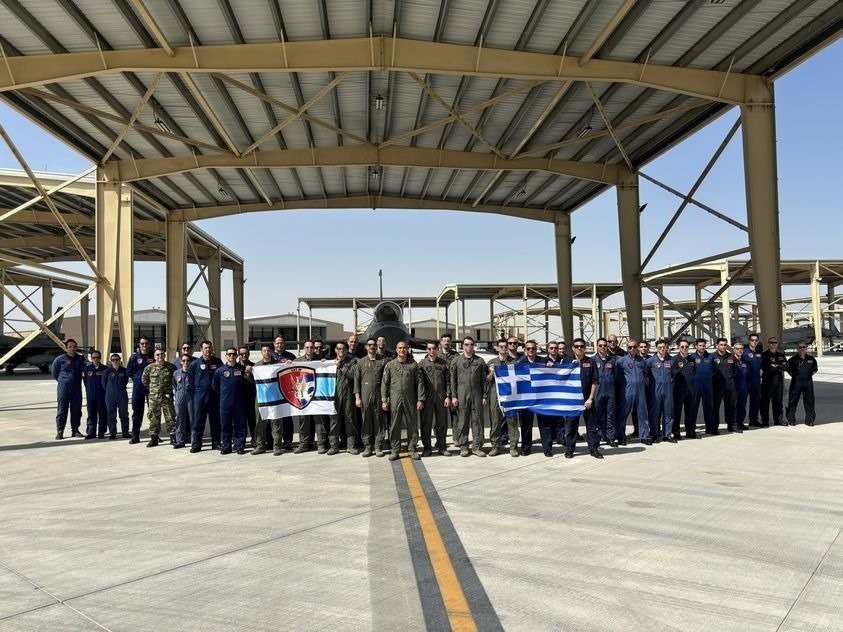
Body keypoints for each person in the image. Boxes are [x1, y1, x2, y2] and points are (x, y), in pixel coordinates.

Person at [381, 341, 425, 460]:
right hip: (395, 398)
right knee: (395, 424)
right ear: (396, 350)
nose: (402, 350)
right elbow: (385, 383)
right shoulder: (390, 365)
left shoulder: (413, 365)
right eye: (400, 348)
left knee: (412, 423)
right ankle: (395, 450)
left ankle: (412, 449)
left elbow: (419, 383)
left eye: (404, 348)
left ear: (407, 349)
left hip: (410, 398)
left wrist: (420, 399)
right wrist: (384, 400)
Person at [449, 336, 487, 457]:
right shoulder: (456, 361)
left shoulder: (480, 361)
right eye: (466, 344)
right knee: (463, 421)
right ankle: (464, 447)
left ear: (473, 345)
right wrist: (454, 396)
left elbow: (484, 380)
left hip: (476, 394)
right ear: (462, 346)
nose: (469, 347)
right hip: (462, 394)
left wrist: (484, 396)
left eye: (471, 344)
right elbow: (452, 380)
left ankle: (476, 447)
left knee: (477, 421)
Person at [564, 338, 600, 459]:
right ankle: (569, 449)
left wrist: (590, 398)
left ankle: (593, 449)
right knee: (571, 426)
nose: (579, 348)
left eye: (581, 346)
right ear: (573, 348)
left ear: (585, 348)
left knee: (591, 426)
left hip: (587, 400)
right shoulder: (567, 361)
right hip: (572, 401)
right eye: (576, 346)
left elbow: (594, 381)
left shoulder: (591, 362)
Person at [187, 340, 222, 453]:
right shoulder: (195, 364)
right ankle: (196, 444)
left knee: (215, 421)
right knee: (198, 421)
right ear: (201, 350)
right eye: (205, 348)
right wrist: (195, 396)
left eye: (209, 347)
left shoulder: (217, 362)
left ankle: (216, 443)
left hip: (214, 398)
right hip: (200, 398)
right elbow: (190, 382)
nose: (208, 350)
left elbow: (222, 378)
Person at [355, 338, 387, 457]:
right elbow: (356, 382)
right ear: (366, 347)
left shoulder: (383, 362)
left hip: (379, 396)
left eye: (374, 345)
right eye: (369, 345)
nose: (372, 347)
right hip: (365, 396)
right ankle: (368, 447)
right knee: (366, 422)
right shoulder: (360, 363)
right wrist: (357, 398)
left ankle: (378, 446)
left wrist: (385, 398)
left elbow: (386, 381)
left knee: (379, 421)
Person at [418, 341, 451, 456]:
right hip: (427, 398)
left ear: (437, 349)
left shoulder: (443, 364)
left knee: (442, 423)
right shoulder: (421, 364)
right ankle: (427, 448)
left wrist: (448, 396)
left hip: (441, 397)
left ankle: (442, 447)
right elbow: (419, 383)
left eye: (434, 348)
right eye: (429, 349)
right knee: (426, 423)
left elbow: (448, 381)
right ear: (426, 350)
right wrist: (420, 399)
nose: (432, 351)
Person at [486, 339, 518, 457]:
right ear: (497, 348)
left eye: (505, 346)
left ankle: (513, 447)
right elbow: (487, 380)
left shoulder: (513, 363)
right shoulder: (491, 362)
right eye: (501, 346)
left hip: (510, 395)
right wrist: (492, 372)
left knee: (512, 421)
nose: (503, 348)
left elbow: (518, 379)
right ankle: (495, 446)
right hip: (496, 395)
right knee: (495, 422)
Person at [213, 347, 248, 454]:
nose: (231, 356)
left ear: (236, 356)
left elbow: (246, 384)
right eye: (229, 354)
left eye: (233, 354)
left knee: (240, 425)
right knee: (225, 425)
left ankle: (239, 445)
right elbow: (215, 386)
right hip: (225, 402)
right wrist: (224, 395)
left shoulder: (242, 369)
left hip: (239, 402)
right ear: (226, 356)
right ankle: (226, 446)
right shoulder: (220, 371)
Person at [616, 339, 651, 444]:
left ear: (637, 348)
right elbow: (618, 377)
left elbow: (645, 374)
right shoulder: (621, 361)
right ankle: (621, 436)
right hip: (627, 390)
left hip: (640, 390)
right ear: (627, 348)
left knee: (642, 413)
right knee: (623, 413)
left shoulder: (642, 361)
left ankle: (644, 436)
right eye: (630, 347)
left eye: (634, 347)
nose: (632, 349)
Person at [141, 348, 177, 447]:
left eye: (161, 354)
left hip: (167, 397)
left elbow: (175, 379)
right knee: (153, 417)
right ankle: (154, 438)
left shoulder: (171, 367)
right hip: (154, 398)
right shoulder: (149, 368)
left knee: (170, 417)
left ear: (164, 355)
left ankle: (173, 437)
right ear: (154, 356)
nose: (160, 356)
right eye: (157, 354)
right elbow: (144, 380)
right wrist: (153, 389)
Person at [51, 338, 85, 439]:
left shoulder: (80, 359)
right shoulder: (59, 359)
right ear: (66, 348)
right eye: (70, 347)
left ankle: (75, 430)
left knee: (76, 410)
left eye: (74, 347)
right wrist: (63, 381)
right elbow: (54, 372)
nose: (72, 349)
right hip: (63, 388)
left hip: (76, 389)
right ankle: (60, 431)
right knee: (62, 410)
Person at [251, 343, 281, 455]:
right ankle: (260, 446)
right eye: (264, 351)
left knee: (276, 422)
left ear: (271, 351)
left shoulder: (278, 365)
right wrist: (248, 372)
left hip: (275, 398)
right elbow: (251, 380)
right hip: (261, 398)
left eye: (268, 350)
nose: (267, 353)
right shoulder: (257, 366)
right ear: (261, 352)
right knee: (260, 423)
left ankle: (277, 446)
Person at [537, 341, 563, 456]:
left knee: (560, 421)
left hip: (559, 397)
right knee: (545, 424)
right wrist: (545, 368)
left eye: (555, 348)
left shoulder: (564, 361)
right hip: (545, 398)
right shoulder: (541, 362)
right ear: (547, 349)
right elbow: (536, 376)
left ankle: (562, 440)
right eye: (551, 348)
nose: (554, 350)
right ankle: (547, 448)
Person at [645, 339, 674, 443]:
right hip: (655, 391)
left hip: (667, 390)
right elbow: (645, 374)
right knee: (654, 413)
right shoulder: (650, 361)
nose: (662, 349)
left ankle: (667, 434)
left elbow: (674, 374)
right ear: (656, 348)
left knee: (668, 412)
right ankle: (654, 434)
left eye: (664, 347)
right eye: (660, 347)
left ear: (666, 348)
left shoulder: (671, 361)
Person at [126, 337, 154, 443]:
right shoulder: (134, 357)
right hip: (138, 389)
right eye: (142, 344)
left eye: (146, 343)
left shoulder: (153, 356)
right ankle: (135, 436)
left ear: (149, 344)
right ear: (139, 345)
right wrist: (137, 379)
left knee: (153, 412)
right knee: (137, 413)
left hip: (151, 388)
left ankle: (154, 435)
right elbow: (129, 371)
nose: (144, 345)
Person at [516, 340, 542, 455]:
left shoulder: (543, 361)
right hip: (526, 398)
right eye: (528, 348)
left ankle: (547, 448)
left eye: (533, 348)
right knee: (526, 425)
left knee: (544, 424)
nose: (531, 350)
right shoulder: (520, 363)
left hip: (540, 397)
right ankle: (526, 448)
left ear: (536, 349)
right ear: (525, 350)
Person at [333, 341, 359, 454]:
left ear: (346, 349)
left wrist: (341, 366)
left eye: (343, 348)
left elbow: (353, 375)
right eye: (339, 349)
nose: (341, 351)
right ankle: (334, 446)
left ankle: (351, 446)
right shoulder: (330, 363)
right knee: (334, 421)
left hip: (348, 394)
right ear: (335, 350)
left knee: (350, 420)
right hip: (335, 396)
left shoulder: (352, 361)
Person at [591, 337, 617, 446]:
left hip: (610, 391)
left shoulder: (612, 360)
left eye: (605, 345)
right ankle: (597, 437)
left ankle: (610, 437)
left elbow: (616, 375)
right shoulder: (592, 360)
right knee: (597, 415)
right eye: (600, 345)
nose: (603, 347)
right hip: (597, 392)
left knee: (610, 415)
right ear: (597, 347)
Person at [672, 338, 699, 439]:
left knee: (690, 411)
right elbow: (672, 374)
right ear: (678, 347)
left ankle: (690, 431)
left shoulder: (692, 359)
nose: (684, 348)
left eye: (686, 347)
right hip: (678, 390)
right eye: (682, 346)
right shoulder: (674, 359)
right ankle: (676, 432)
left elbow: (694, 372)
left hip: (690, 389)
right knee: (677, 412)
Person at [712, 337, 740, 433]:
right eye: (721, 345)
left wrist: (730, 378)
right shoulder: (712, 357)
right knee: (715, 407)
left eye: (725, 345)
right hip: (717, 386)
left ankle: (732, 425)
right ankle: (714, 427)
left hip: (729, 385)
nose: (723, 347)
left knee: (731, 406)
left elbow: (735, 370)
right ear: (717, 345)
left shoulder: (731, 357)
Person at [785, 342, 818, 426]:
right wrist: (796, 377)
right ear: (797, 349)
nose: (802, 349)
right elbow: (788, 370)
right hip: (796, 382)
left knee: (809, 401)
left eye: (804, 347)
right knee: (793, 400)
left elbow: (814, 370)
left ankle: (809, 420)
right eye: (800, 347)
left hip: (808, 383)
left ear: (806, 348)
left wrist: (806, 376)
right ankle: (791, 419)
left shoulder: (811, 359)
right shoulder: (792, 359)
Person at [760, 337, 788, 426]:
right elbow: (765, 367)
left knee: (778, 401)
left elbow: (786, 367)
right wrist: (778, 366)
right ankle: (765, 421)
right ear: (768, 344)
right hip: (767, 381)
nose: (773, 344)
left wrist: (775, 366)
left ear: (777, 344)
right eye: (771, 342)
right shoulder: (764, 355)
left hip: (778, 381)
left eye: (775, 342)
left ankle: (778, 420)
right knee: (765, 402)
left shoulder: (781, 355)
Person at [101, 353, 129, 440]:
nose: (115, 361)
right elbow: (104, 384)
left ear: (120, 360)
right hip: (110, 396)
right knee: (111, 415)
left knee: (124, 414)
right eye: (113, 360)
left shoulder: (124, 371)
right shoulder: (107, 372)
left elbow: (126, 381)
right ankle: (112, 433)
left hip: (122, 395)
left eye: (117, 359)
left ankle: (125, 432)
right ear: (111, 361)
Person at [692, 338, 716, 435]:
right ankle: (691, 429)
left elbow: (714, 370)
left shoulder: (710, 357)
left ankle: (710, 428)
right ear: (696, 346)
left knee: (709, 408)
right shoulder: (692, 357)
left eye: (703, 345)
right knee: (693, 408)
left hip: (708, 386)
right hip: (696, 386)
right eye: (700, 345)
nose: (702, 347)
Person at [83, 350, 107, 439]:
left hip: (102, 396)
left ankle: (101, 432)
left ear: (100, 358)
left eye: (97, 357)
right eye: (93, 358)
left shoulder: (105, 369)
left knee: (103, 414)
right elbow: (85, 381)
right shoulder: (87, 369)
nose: (95, 359)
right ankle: (91, 432)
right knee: (91, 414)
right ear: (91, 358)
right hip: (91, 396)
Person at [238, 346, 257, 446]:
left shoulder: (254, 366)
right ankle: (240, 442)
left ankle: (255, 440)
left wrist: (252, 371)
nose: (244, 356)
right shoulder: (235, 366)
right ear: (238, 355)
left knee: (253, 420)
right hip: (239, 399)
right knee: (240, 422)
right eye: (242, 354)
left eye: (246, 354)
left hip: (251, 398)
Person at [173, 355, 192, 449]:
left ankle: (194, 439)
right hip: (180, 398)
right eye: (183, 360)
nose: (185, 363)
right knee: (179, 419)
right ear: (180, 362)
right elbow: (175, 385)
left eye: (187, 361)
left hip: (190, 398)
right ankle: (180, 440)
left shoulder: (193, 373)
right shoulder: (176, 373)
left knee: (192, 419)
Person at [744, 334, 763, 426]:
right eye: (752, 340)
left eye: (756, 340)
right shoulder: (744, 352)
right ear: (749, 341)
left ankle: (753, 420)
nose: (754, 342)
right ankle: (739, 421)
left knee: (755, 400)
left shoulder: (759, 353)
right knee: (742, 401)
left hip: (756, 381)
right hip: (745, 381)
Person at [732, 342, 749, 429]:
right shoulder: (730, 360)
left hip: (743, 386)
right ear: (734, 350)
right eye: (737, 349)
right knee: (733, 406)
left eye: (741, 349)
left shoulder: (745, 361)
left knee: (742, 406)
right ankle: (734, 424)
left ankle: (740, 422)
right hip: (734, 387)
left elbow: (748, 373)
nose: (739, 350)